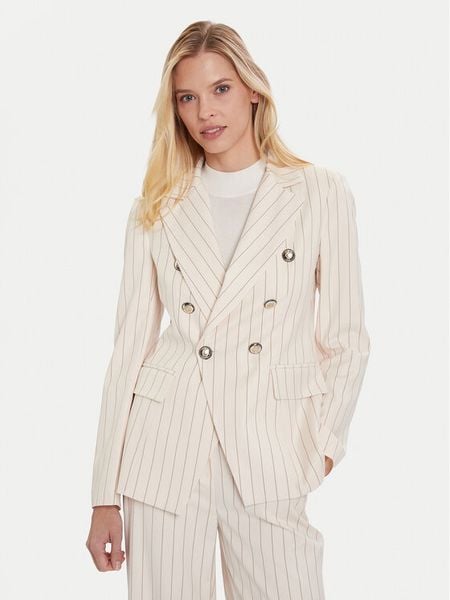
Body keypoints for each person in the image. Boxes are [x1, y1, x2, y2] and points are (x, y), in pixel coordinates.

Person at [86, 19, 371, 600]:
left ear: (253, 90)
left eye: (220, 89)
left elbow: (346, 339)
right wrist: (102, 495)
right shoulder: (157, 206)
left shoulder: (318, 192)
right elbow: (128, 352)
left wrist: (321, 448)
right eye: (187, 97)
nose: (205, 112)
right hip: (165, 449)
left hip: (269, 447)